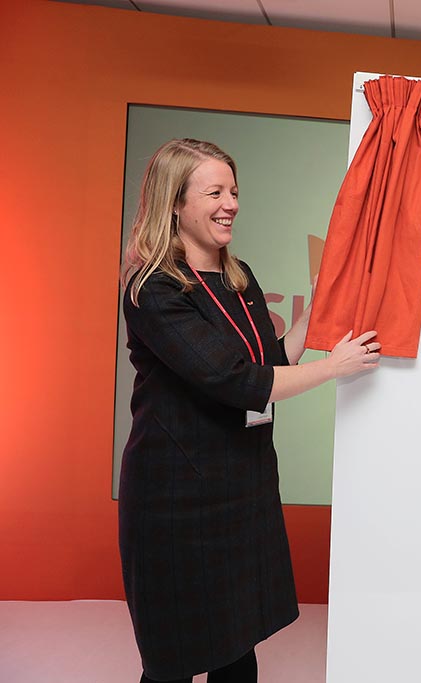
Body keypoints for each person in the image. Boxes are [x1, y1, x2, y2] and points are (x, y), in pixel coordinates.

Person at [119, 138, 379, 683]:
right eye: (214, 192)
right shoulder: (154, 289)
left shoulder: (240, 278)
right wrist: (335, 368)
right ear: (174, 202)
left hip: (243, 485)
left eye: (233, 191)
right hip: (178, 499)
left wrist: (312, 317)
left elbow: (269, 361)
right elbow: (236, 381)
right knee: (174, 659)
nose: (231, 204)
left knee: (237, 647)